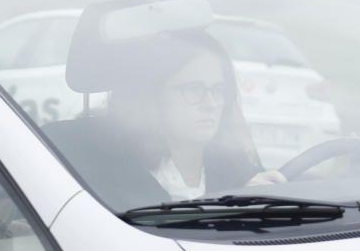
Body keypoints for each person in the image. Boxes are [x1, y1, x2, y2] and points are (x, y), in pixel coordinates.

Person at [106, 29, 282, 202]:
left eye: (218, 90)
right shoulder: (115, 177)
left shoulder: (240, 173)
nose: (211, 103)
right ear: (154, 95)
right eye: (193, 89)